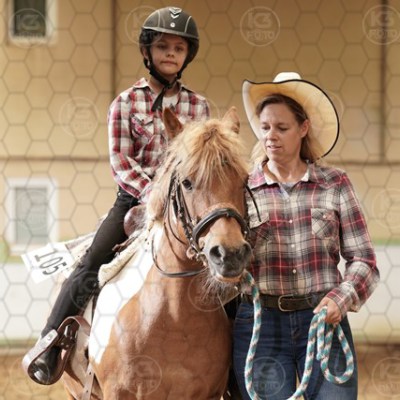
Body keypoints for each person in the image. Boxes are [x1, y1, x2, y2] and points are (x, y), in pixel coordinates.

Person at [23, 6, 209, 385]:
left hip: (188, 206)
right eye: (163, 47)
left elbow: (205, 162)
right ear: (147, 52)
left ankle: (233, 362)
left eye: (178, 48)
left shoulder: (199, 107)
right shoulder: (125, 103)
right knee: (92, 262)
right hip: (135, 201)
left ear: (187, 55)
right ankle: (50, 342)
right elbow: (122, 163)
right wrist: (156, 197)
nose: (170, 54)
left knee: (222, 268)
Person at [233, 72, 379, 399]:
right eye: (265, 127)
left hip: (323, 320)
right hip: (261, 324)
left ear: (303, 128)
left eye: (282, 128)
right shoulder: (242, 190)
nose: (270, 136)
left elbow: (364, 261)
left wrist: (340, 299)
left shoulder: (335, 184)